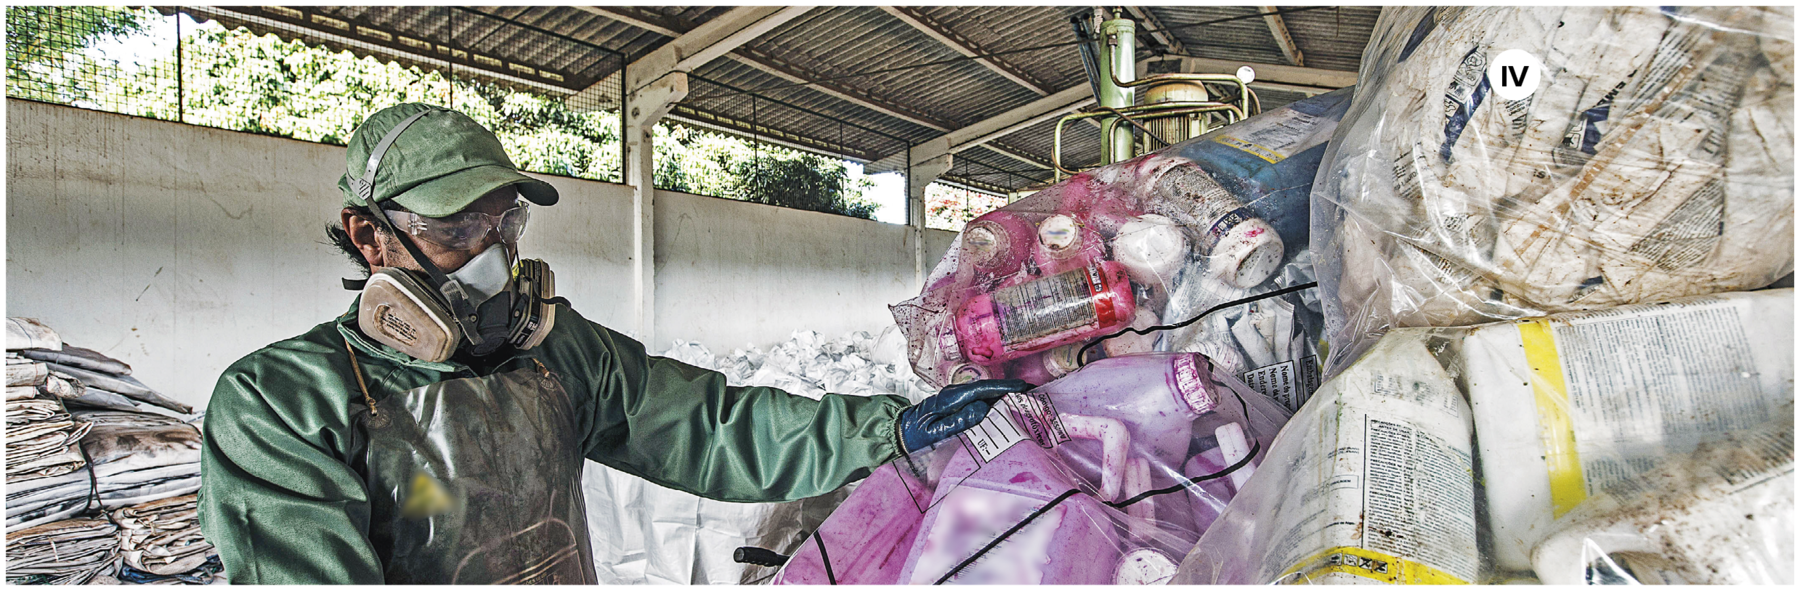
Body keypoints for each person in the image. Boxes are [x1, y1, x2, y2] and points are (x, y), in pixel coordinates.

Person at [196, 103, 1029, 584]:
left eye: (504, 223)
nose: (493, 255)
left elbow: (712, 427)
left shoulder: (553, 355)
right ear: (369, 237)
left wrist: (887, 431)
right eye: (455, 229)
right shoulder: (284, 402)